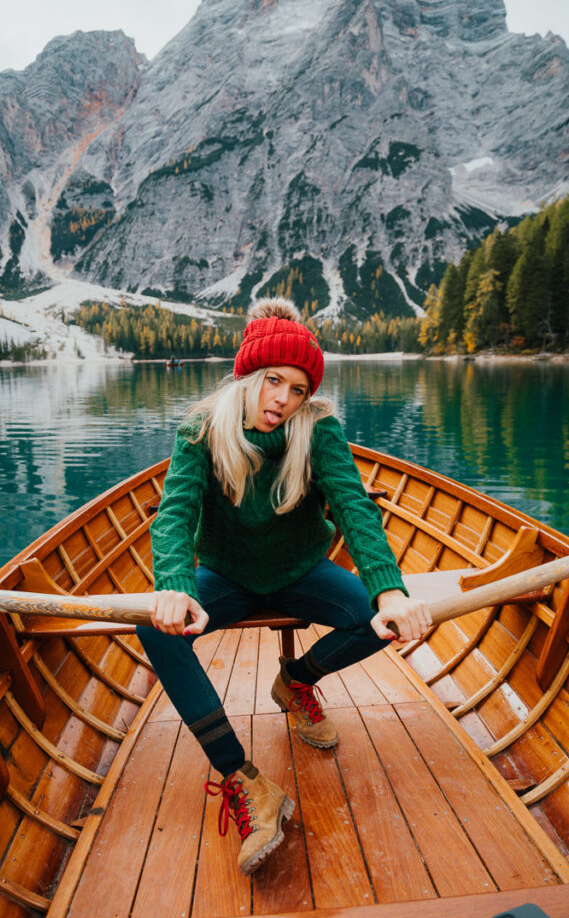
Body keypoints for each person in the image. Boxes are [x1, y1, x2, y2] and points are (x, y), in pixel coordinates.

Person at [136, 297, 431, 876]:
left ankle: (295, 681)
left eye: (297, 389)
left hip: (301, 572)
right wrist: (173, 585)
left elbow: (353, 507)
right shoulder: (200, 428)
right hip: (225, 576)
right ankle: (242, 776)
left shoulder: (318, 429)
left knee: (372, 619)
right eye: (273, 381)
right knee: (160, 633)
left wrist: (389, 590)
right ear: (247, 375)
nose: (282, 400)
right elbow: (173, 514)